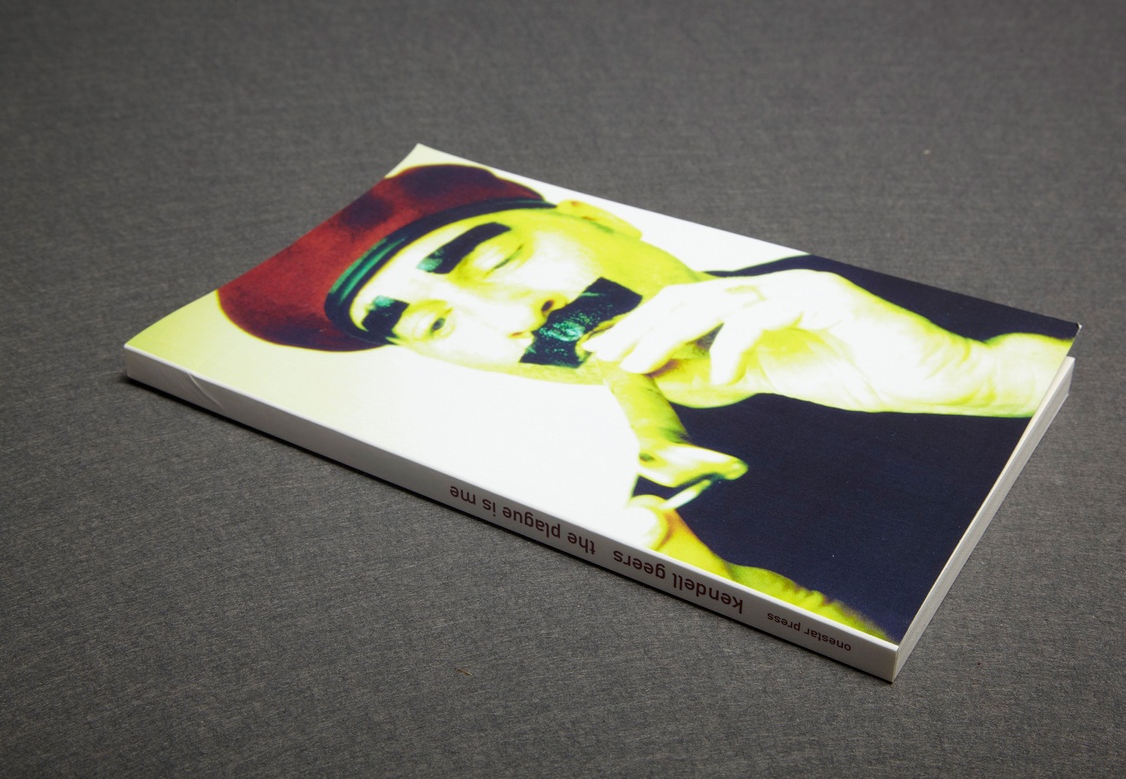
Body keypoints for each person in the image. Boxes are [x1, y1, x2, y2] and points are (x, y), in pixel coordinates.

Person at [219, 163, 1077, 641]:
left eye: (494, 259)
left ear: (598, 218)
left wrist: (986, 380)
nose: (514, 318)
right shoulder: (666, 520)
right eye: (433, 323)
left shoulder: (908, 254)